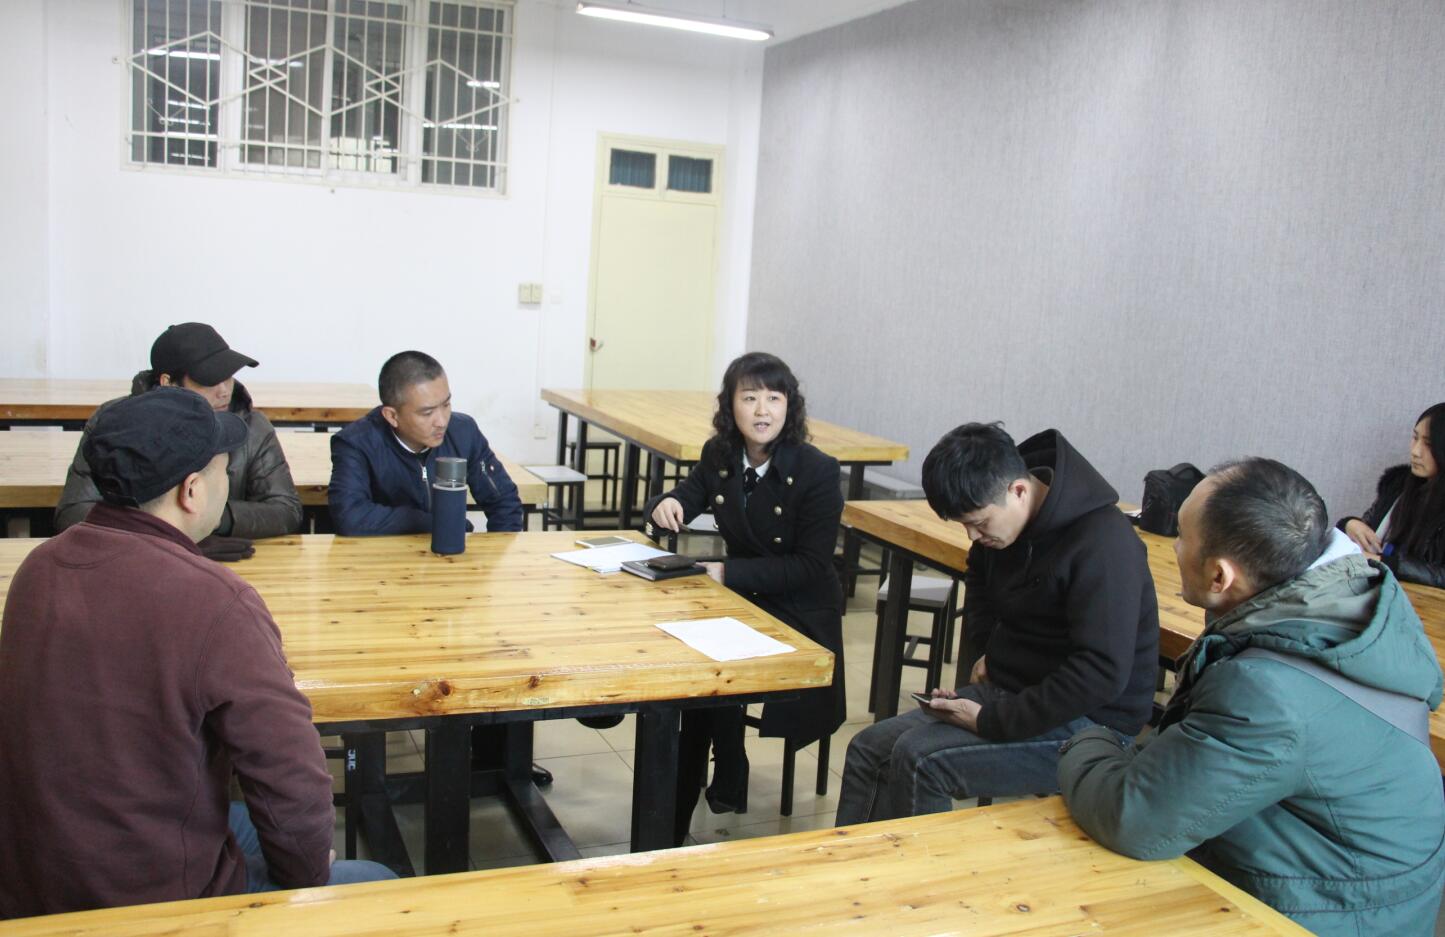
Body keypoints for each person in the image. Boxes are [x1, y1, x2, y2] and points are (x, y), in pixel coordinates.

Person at [0, 389, 393, 919]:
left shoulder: (38, 568)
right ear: (191, 491)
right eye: (223, 470)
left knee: (241, 820)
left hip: (34, 872)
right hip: (147, 898)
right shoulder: (214, 600)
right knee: (376, 882)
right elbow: (289, 776)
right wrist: (305, 877)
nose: (227, 481)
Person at [1059, 458, 1445, 936]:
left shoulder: (1263, 691)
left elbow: (1133, 819)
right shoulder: (1355, 606)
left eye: (1181, 536)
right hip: (1369, 883)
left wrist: (1088, 739)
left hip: (1336, 913)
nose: (1174, 546)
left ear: (1220, 577)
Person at [835, 422, 1158, 825]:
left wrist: (990, 720)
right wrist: (991, 651)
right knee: (868, 748)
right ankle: (855, 862)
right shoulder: (1002, 526)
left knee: (920, 760)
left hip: (1095, 722)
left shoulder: (1104, 543)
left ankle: (918, 869)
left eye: (980, 522)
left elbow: (1101, 673)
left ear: (1018, 490)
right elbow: (979, 581)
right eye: (963, 525)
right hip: (1015, 693)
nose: (973, 536)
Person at [646, 352, 847, 844]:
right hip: (744, 597)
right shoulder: (721, 453)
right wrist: (666, 504)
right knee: (692, 664)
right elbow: (685, 495)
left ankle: (708, 779)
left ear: (789, 406)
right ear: (729, 405)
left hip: (800, 608)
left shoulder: (818, 470)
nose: (762, 410)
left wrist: (726, 572)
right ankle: (723, 760)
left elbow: (810, 565)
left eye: (774, 398)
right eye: (749, 397)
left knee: (710, 674)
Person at [55, 322, 302, 560]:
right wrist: (173, 539)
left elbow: (286, 510)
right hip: (134, 562)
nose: (224, 391)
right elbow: (72, 513)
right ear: (167, 382)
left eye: (228, 376)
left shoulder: (253, 426)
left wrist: (211, 522)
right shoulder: (114, 425)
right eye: (208, 380)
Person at [328, 350, 523, 535]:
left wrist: (493, 555)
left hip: (450, 554)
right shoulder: (356, 443)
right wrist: (435, 523)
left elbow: (504, 502)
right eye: (427, 413)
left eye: (446, 404)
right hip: (383, 555)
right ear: (392, 416)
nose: (442, 421)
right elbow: (350, 517)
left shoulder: (464, 432)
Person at [1339, 402, 1445, 587]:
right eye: (1415, 438)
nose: (1415, 451)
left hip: (1421, 601)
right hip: (1372, 587)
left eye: (1428, 444)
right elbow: (1368, 530)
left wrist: (1386, 563)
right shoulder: (1398, 486)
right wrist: (1349, 523)